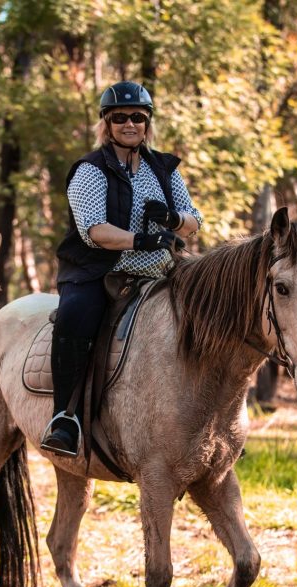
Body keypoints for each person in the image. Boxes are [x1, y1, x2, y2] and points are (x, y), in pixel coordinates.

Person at [40, 81, 203, 457]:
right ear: (106, 123)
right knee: (75, 317)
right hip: (99, 273)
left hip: (161, 273)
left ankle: (210, 418)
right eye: (119, 118)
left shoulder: (163, 168)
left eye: (137, 117)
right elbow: (94, 230)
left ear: (147, 123)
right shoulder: (89, 171)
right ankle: (64, 417)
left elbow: (194, 220)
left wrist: (172, 218)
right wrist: (141, 240)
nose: (129, 124)